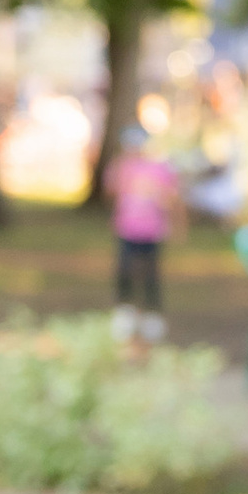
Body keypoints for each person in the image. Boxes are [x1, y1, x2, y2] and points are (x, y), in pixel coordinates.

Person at [105, 130, 179, 342]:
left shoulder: (160, 169)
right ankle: (125, 311)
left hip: (152, 231)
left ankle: (152, 314)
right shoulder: (121, 167)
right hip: (127, 229)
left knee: (151, 273)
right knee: (125, 269)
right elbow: (111, 191)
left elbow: (171, 198)